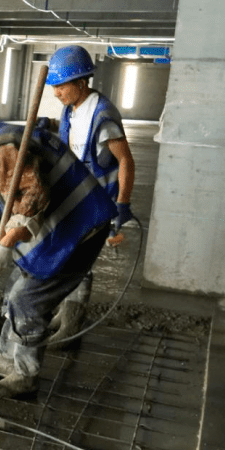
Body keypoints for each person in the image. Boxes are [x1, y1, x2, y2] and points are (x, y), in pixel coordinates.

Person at [0, 91, 117, 398]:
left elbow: (33, 200)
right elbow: (11, 211)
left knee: (27, 299)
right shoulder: (4, 142)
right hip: (73, 225)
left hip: (81, 231)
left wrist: (7, 243)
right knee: (15, 286)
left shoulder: (4, 149)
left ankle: (25, 374)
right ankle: (7, 358)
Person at [45, 45, 136, 344]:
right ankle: (64, 316)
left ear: (82, 83)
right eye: (54, 86)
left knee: (78, 262)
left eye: (61, 86)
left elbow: (125, 160)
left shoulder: (104, 116)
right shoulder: (70, 110)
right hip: (77, 197)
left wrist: (122, 203)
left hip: (98, 203)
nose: (56, 92)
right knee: (68, 257)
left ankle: (71, 328)